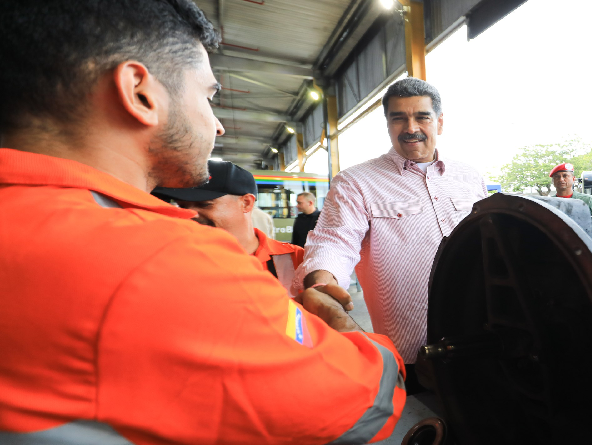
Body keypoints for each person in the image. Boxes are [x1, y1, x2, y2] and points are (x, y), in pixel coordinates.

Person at [0, 2, 405, 444]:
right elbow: (364, 403)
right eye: (209, 96)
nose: (218, 126)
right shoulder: (162, 260)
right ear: (140, 92)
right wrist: (342, 327)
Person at [292, 77, 488, 393]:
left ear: (439, 122)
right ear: (388, 125)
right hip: (410, 345)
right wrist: (323, 283)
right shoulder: (356, 182)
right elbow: (335, 240)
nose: (410, 127)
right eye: (399, 118)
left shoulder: (470, 176)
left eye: (422, 116)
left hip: (479, 327)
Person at [153, 161, 303, 295]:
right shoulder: (171, 262)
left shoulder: (298, 261)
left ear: (246, 203)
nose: (189, 214)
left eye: (204, 204)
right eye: (182, 206)